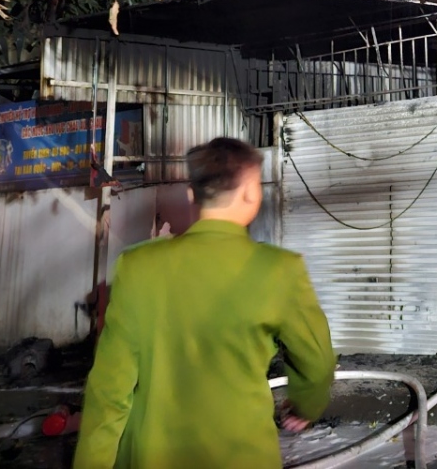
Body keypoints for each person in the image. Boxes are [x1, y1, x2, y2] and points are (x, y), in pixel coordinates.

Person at [74, 137, 335, 469]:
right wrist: (306, 406)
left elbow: (109, 389)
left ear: (191, 194)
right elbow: (317, 362)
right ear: (252, 193)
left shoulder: (138, 266)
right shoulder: (280, 270)